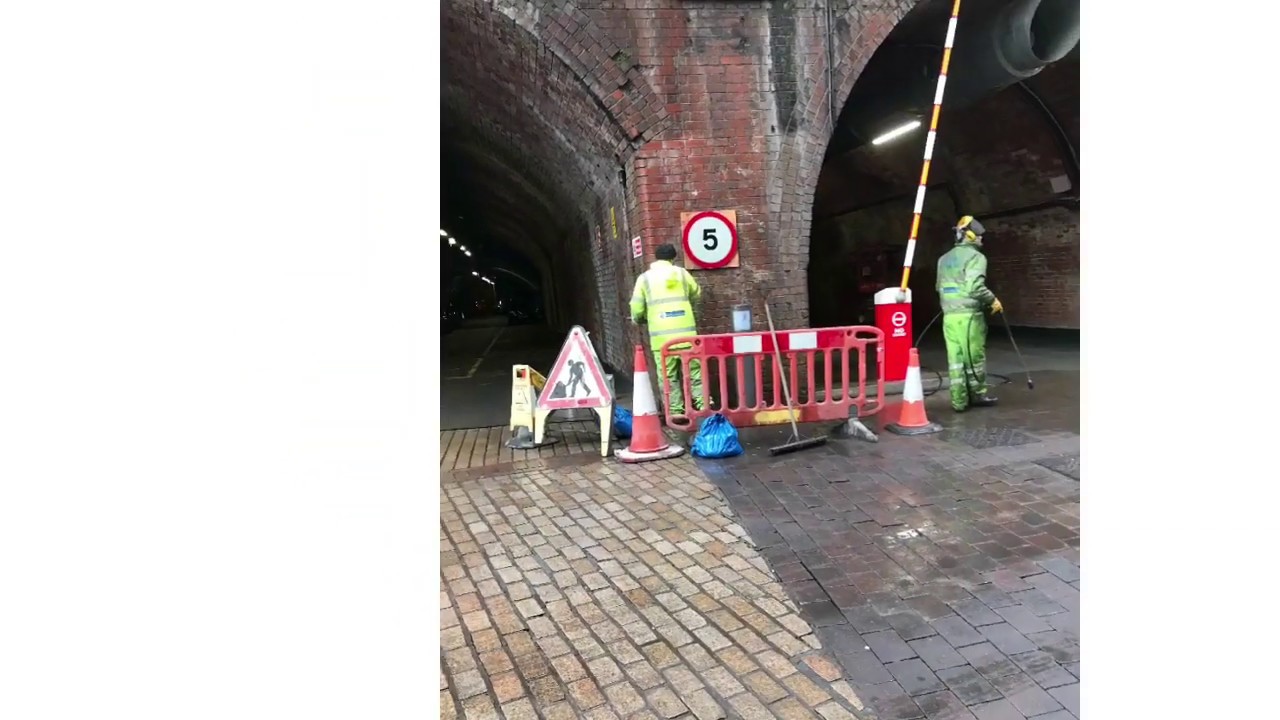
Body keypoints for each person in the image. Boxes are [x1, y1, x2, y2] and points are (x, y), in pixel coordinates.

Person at [936, 215, 1004, 412]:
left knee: (955, 359)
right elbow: (975, 286)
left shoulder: (943, 259)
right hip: (969, 317)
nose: (982, 239)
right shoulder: (976, 257)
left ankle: (959, 401)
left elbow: (938, 286)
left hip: (949, 316)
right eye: (980, 235)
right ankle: (977, 395)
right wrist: (993, 300)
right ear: (971, 235)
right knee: (974, 358)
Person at [629, 243, 704, 415]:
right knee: (695, 374)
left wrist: (639, 319)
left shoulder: (645, 278)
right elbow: (696, 293)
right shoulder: (683, 274)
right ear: (673, 258)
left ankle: (676, 412)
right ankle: (702, 406)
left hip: (662, 340)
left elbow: (637, 307)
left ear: (656, 257)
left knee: (668, 376)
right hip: (687, 336)